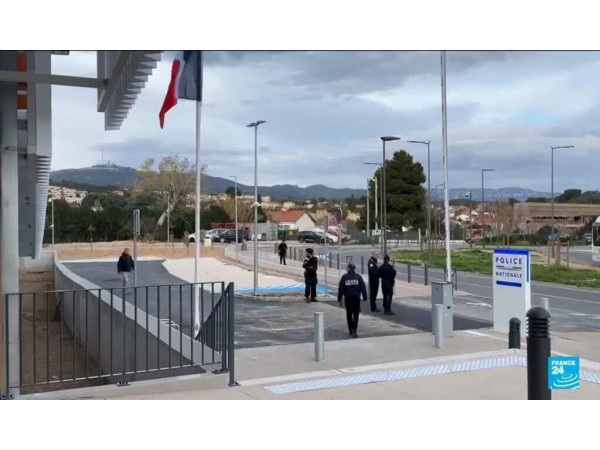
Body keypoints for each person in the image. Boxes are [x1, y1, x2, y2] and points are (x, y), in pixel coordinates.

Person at [338, 263, 368, 338]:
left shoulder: (344, 277)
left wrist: (339, 299)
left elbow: (341, 288)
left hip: (348, 298)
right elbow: (363, 287)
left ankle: (350, 329)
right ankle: (355, 330)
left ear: (348, 268)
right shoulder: (358, 277)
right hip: (356, 298)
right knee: (356, 314)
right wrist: (365, 297)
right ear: (354, 269)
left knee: (349, 314)